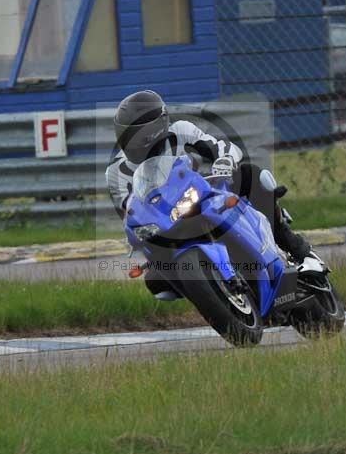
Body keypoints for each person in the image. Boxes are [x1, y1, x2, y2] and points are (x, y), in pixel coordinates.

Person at [106, 90, 325, 300]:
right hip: (167, 224)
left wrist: (224, 160)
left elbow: (223, 148)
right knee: (155, 280)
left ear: (155, 128)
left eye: (137, 135)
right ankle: (214, 297)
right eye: (125, 135)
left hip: (208, 195)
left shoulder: (181, 131)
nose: (131, 142)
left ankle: (301, 252)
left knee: (250, 176)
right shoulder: (116, 172)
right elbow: (130, 213)